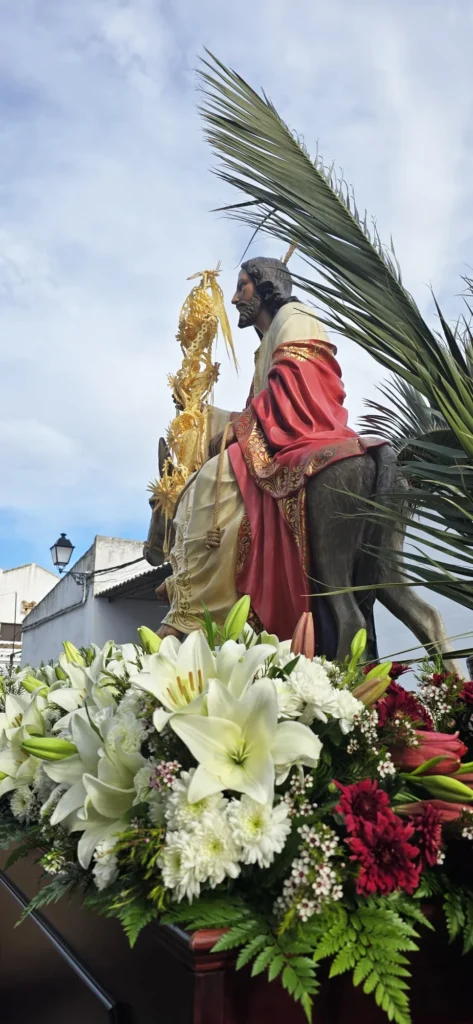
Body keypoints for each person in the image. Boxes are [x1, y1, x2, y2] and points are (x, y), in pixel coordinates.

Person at [157, 257, 366, 641]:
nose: (235, 299)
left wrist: (236, 430)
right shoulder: (265, 344)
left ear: (267, 285)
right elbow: (260, 404)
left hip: (303, 426)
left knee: (210, 478)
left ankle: (196, 602)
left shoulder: (295, 317)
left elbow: (296, 387)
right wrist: (201, 414)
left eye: (242, 287)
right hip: (277, 428)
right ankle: (185, 577)